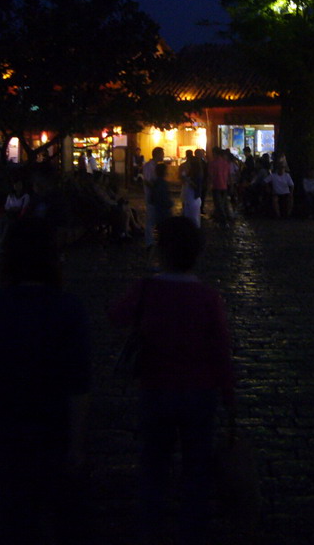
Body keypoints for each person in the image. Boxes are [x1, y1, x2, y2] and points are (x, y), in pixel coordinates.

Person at [110, 216, 236, 545]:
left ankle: (152, 527)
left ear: (161, 251)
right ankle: (191, 529)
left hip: (156, 389)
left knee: (154, 464)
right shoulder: (207, 298)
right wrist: (228, 392)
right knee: (196, 468)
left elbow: (115, 316)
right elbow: (220, 348)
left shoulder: (147, 289)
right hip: (199, 393)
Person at [0, 219, 91, 543]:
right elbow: (78, 384)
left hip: (5, 432)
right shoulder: (69, 309)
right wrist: (77, 445)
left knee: (13, 521)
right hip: (54, 431)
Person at [0, 178, 29, 254]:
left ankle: (0, 245)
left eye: (19, 184)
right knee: (0, 223)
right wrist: (12, 208)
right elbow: (7, 206)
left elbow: (24, 207)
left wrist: (17, 209)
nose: (17, 186)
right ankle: (0, 243)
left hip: (18, 216)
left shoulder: (25, 196)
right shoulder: (11, 195)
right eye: (16, 184)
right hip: (9, 213)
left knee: (8, 225)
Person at [142, 147, 165, 249]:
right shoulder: (148, 166)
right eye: (162, 154)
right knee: (151, 219)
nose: (163, 156)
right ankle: (149, 242)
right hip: (151, 195)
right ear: (157, 154)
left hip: (156, 196)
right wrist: (156, 188)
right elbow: (147, 181)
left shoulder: (156, 166)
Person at [209, 146, 233, 228]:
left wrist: (210, 184)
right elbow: (229, 175)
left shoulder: (213, 163)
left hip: (216, 186)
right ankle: (222, 220)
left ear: (214, 153)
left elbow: (211, 176)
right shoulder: (225, 163)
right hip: (224, 186)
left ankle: (223, 221)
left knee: (218, 205)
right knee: (223, 203)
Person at [179, 150, 204, 227]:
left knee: (193, 217)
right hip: (190, 197)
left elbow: (196, 186)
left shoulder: (196, 176)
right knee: (191, 217)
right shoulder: (191, 173)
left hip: (193, 198)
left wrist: (188, 181)